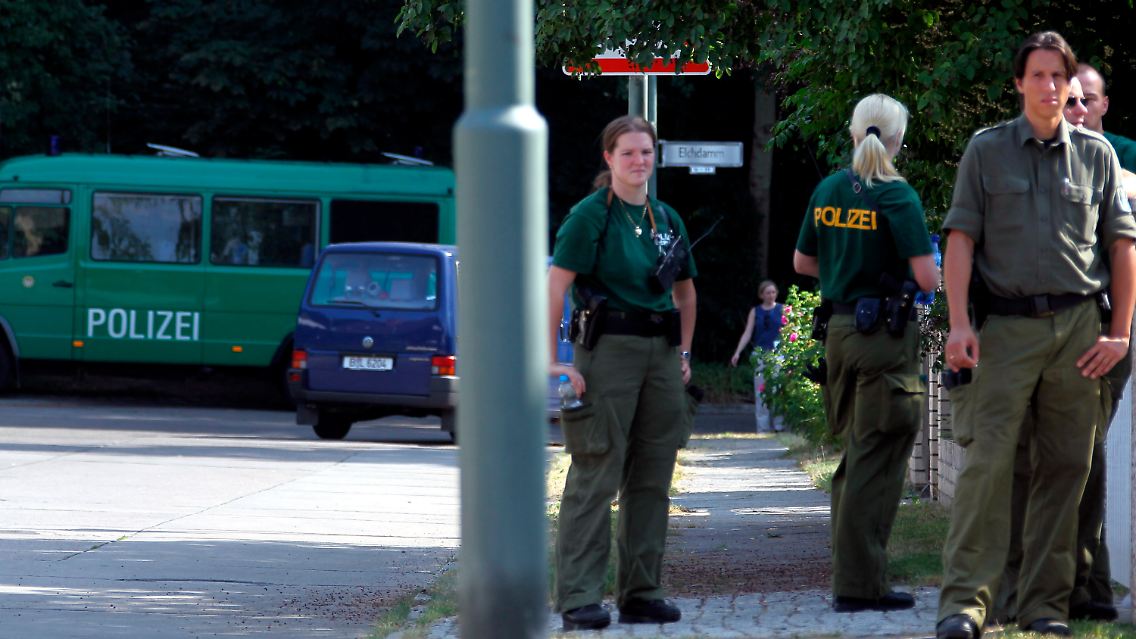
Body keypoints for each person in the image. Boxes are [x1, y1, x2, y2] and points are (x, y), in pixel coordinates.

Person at [935, 31, 1136, 639]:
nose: (1050, 87)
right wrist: (961, 323)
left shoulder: (1098, 156)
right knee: (987, 467)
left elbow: (1122, 247)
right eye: (1039, 76)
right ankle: (964, 605)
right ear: (1019, 83)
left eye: (1059, 77)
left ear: (1071, 85)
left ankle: (1045, 607)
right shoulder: (987, 151)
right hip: (1005, 329)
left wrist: (1120, 334)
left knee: (1066, 469)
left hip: (1079, 328)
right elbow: (960, 240)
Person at [547, 115, 698, 632]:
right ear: (608, 159)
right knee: (596, 473)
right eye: (628, 153)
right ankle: (580, 597)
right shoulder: (591, 217)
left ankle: (641, 591)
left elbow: (685, 291)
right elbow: (555, 286)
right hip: (606, 352)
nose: (639, 162)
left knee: (653, 477)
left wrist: (685, 353)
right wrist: (556, 358)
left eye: (647, 153)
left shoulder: (666, 217)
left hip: (660, 352)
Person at [792, 94, 939, 614]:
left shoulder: (829, 187)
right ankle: (858, 587)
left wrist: (842, 271)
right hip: (883, 341)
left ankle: (856, 578)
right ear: (898, 139)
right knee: (877, 460)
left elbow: (802, 262)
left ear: (854, 133)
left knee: (856, 459)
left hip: (837, 331)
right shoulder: (897, 195)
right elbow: (926, 278)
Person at [729, 280, 785, 432]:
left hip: (777, 354)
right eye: (768, 292)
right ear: (761, 295)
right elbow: (748, 332)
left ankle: (779, 426)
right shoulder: (755, 311)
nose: (771, 295)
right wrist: (738, 352)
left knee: (778, 390)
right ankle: (763, 428)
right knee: (761, 390)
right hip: (760, 354)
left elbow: (789, 331)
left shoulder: (783, 309)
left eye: (773, 292)